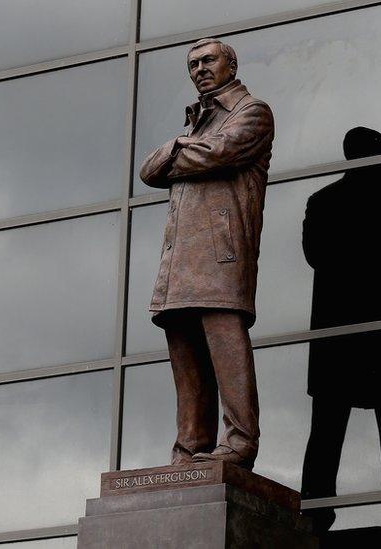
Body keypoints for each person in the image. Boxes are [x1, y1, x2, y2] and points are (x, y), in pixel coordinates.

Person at [138, 38, 274, 470]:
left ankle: (239, 442)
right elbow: (148, 171)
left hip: (220, 257)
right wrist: (183, 145)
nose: (199, 68)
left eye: (208, 60)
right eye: (192, 63)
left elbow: (222, 152)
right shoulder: (196, 125)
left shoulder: (251, 112)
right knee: (185, 354)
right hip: (180, 264)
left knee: (227, 350)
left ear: (231, 64)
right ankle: (190, 445)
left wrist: (175, 148)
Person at [299, 126, 381, 544]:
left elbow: (318, 256)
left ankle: (315, 519)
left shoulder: (324, 202)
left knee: (329, 430)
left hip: (345, 333)